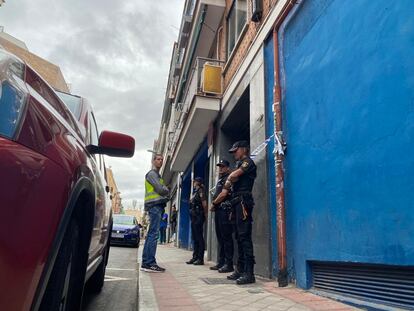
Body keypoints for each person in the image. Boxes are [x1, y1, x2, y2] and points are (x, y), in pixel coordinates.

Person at [213, 141, 257, 284]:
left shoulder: (247, 162)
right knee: (238, 236)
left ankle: (249, 273)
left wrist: (231, 178)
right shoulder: (238, 165)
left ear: (244, 149)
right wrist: (232, 179)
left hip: (244, 201)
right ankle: (240, 269)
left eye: (236, 150)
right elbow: (231, 179)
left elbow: (232, 177)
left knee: (244, 236)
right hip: (236, 202)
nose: (234, 154)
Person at [141, 154, 170, 273]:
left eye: (162, 160)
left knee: (151, 235)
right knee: (153, 235)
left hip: (156, 207)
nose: (160, 161)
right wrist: (166, 189)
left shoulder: (157, 175)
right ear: (153, 161)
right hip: (155, 207)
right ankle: (150, 263)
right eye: (158, 159)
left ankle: (146, 262)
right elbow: (161, 189)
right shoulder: (152, 174)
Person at [210, 159, 234, 273]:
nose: (221, 168)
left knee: (226, 238)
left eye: (223, 166)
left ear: (228, 168)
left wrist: (214, 203)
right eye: (220, 166)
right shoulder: (220, 180)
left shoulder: (229, 178)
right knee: (220, 238)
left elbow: (224, 194)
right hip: (219, 211)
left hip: (225, 210)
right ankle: (221, 262)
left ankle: (229, 264)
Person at [186, 177, 207, 265]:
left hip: (199, 216)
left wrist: (205, 215)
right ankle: (195, 257)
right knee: (195, 238)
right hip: (194, 217)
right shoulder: (195, 192)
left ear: (198, 182)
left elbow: (204, 204)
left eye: (195, 181)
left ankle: (200, 258)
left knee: (199, 237)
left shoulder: (201, 191)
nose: (193, 183)